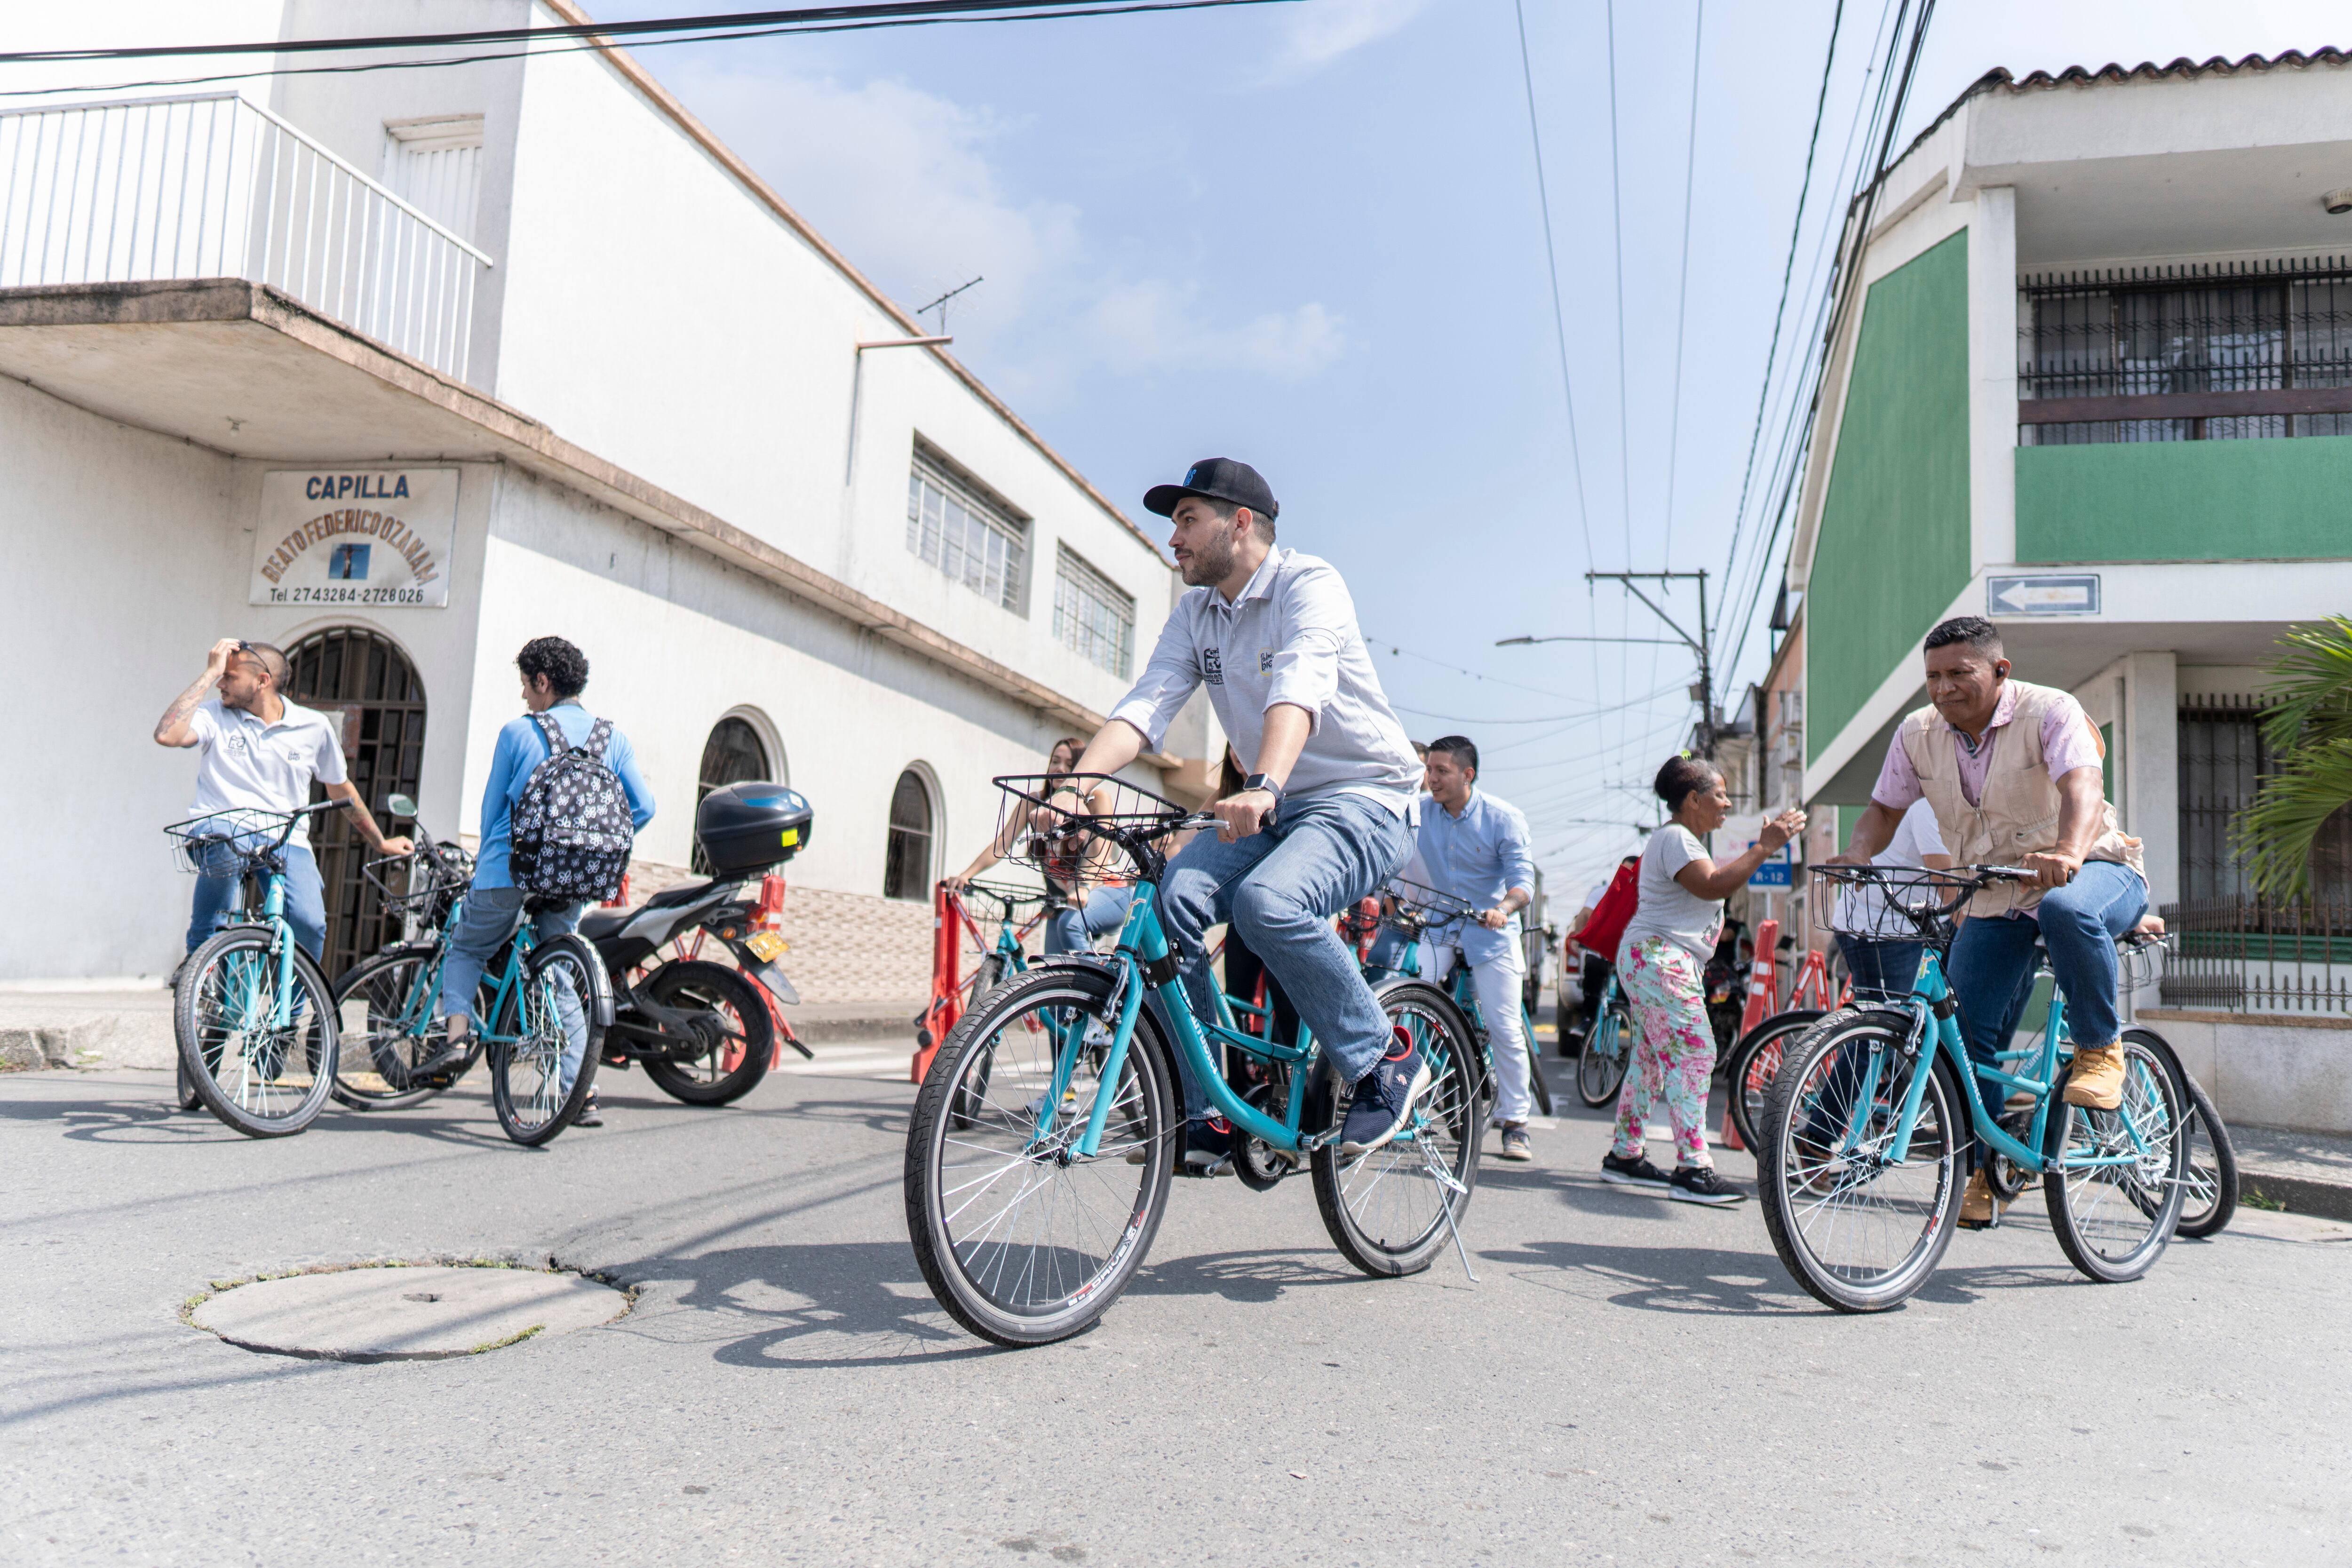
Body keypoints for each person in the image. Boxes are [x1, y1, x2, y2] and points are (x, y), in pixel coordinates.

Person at [1056, 457, 1426, 1158]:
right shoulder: (1197, 613)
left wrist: (1263, 784)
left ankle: (1385, 1058)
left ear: (1242, 524)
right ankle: (1211, 1113)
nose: (1175, 539)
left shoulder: (1308, 586)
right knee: (1175, 897)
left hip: (1366, 798)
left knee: (1267, 904)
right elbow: (1148, 702)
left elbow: (1300, 684)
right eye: (1175, 526)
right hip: (1278, 802)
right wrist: (1074, 784)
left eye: (1189, 520)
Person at [1834, 615, 2149, 1229]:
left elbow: (2082, 786)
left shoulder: (2049, 710)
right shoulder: (1916, 734)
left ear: (1999, 670)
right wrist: (1857, 853)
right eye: (1933, 677)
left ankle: (2100, 1051)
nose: (1945, 688)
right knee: (1965, 1038)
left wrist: (2069, 850)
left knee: (2066, 908)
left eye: (1960, 673)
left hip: (2094, 866)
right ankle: (1986, 1168)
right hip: (1996, 891)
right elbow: (1882, 808)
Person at [421, 637, 654, 1128]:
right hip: (575, 877)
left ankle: (457, 1040)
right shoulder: (613, 739)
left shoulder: (517, 733)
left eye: (526, 686)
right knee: (558, 972)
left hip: (510, 869)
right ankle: (581, 1090)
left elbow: (492, 814)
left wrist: (484, 869)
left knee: (467, 948)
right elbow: (644, 808)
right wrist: (594, 842)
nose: (524, 697)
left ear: (543, 682)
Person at [1602, 757, 1804, 1205]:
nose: (1728, 803)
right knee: (1696, 1051)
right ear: (1693, 799)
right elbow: (1712, 886)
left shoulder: (1681, 840)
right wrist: (1764, 846)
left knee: (1653, 1058)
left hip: (1652, 958)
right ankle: (1693, 1167)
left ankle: (1625, 1154)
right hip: (1658, 957)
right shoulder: (1676, 837)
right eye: (1720, 794)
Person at [155, 637, 410, 963]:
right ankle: (199, 957)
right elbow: (167, 735)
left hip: (285, 838)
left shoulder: (313, 726)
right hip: (221, 825)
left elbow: (340, 789)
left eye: (229, 676)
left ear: (262, 681)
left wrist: (380, 842)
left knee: (309, 923)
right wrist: (208, 674)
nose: (221, 682)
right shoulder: (214, 715)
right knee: (226, 852)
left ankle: (293, 1010)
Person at [1414, 736, 1540, 1162]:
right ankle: (1398, 1098)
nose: (1432, 778)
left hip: (1491, 930)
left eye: (1441, 771)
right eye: (1430, 770)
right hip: (1440, 925)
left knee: (1504, 1026)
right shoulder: (1419, 811)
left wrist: (1503, 908)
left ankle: (1516, 1122)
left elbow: (1523, 883)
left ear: (1468, 775)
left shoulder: (1504, 818)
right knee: (1407, 1002)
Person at [946, 737, 1133, 955]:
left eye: (1070, 764)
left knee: (1071, 925)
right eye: (1056, 761)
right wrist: (967, 874)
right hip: (1065, 903)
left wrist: (1084, 887)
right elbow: (1003, 843)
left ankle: (1103, 984)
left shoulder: (1096, 800)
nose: (1060, 768)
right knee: (1051, 968)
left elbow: (1101, 851)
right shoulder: (1034, 802)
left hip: (1109, 891)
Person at [1834, 797, 1953, 998]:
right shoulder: (1928, 807)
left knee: (1927, 1009)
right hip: (1886, 929)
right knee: (1900, 1016)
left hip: (1912, 923)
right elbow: (1949, 889)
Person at [1565, 854, 1639, 1045]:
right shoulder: (1603, 892)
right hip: (1601, 950)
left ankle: (1631, 1020)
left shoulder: (1643, 895)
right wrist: (1577, 937)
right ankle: (1588, 1019)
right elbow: (1585, 915)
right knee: (1593, 967)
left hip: (1627, 952)